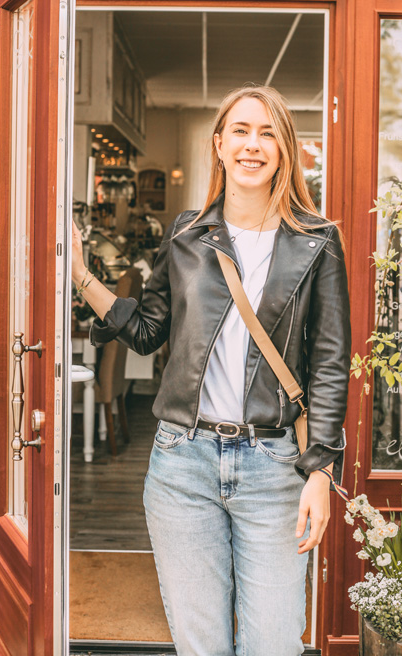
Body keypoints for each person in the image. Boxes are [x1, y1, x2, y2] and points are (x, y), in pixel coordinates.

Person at [71, 85, 349, 656]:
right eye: (241, 131)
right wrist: (80, 275)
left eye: (268, 132)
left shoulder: (318, 241)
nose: (254, 144)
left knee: (273, 643)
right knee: (202, 647)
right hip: (182, 464)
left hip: (275, 468)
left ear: (286, 149)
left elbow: (329, 362)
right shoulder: (186, 234)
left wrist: (321, 471)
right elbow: (148, 331)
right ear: (219, 145)